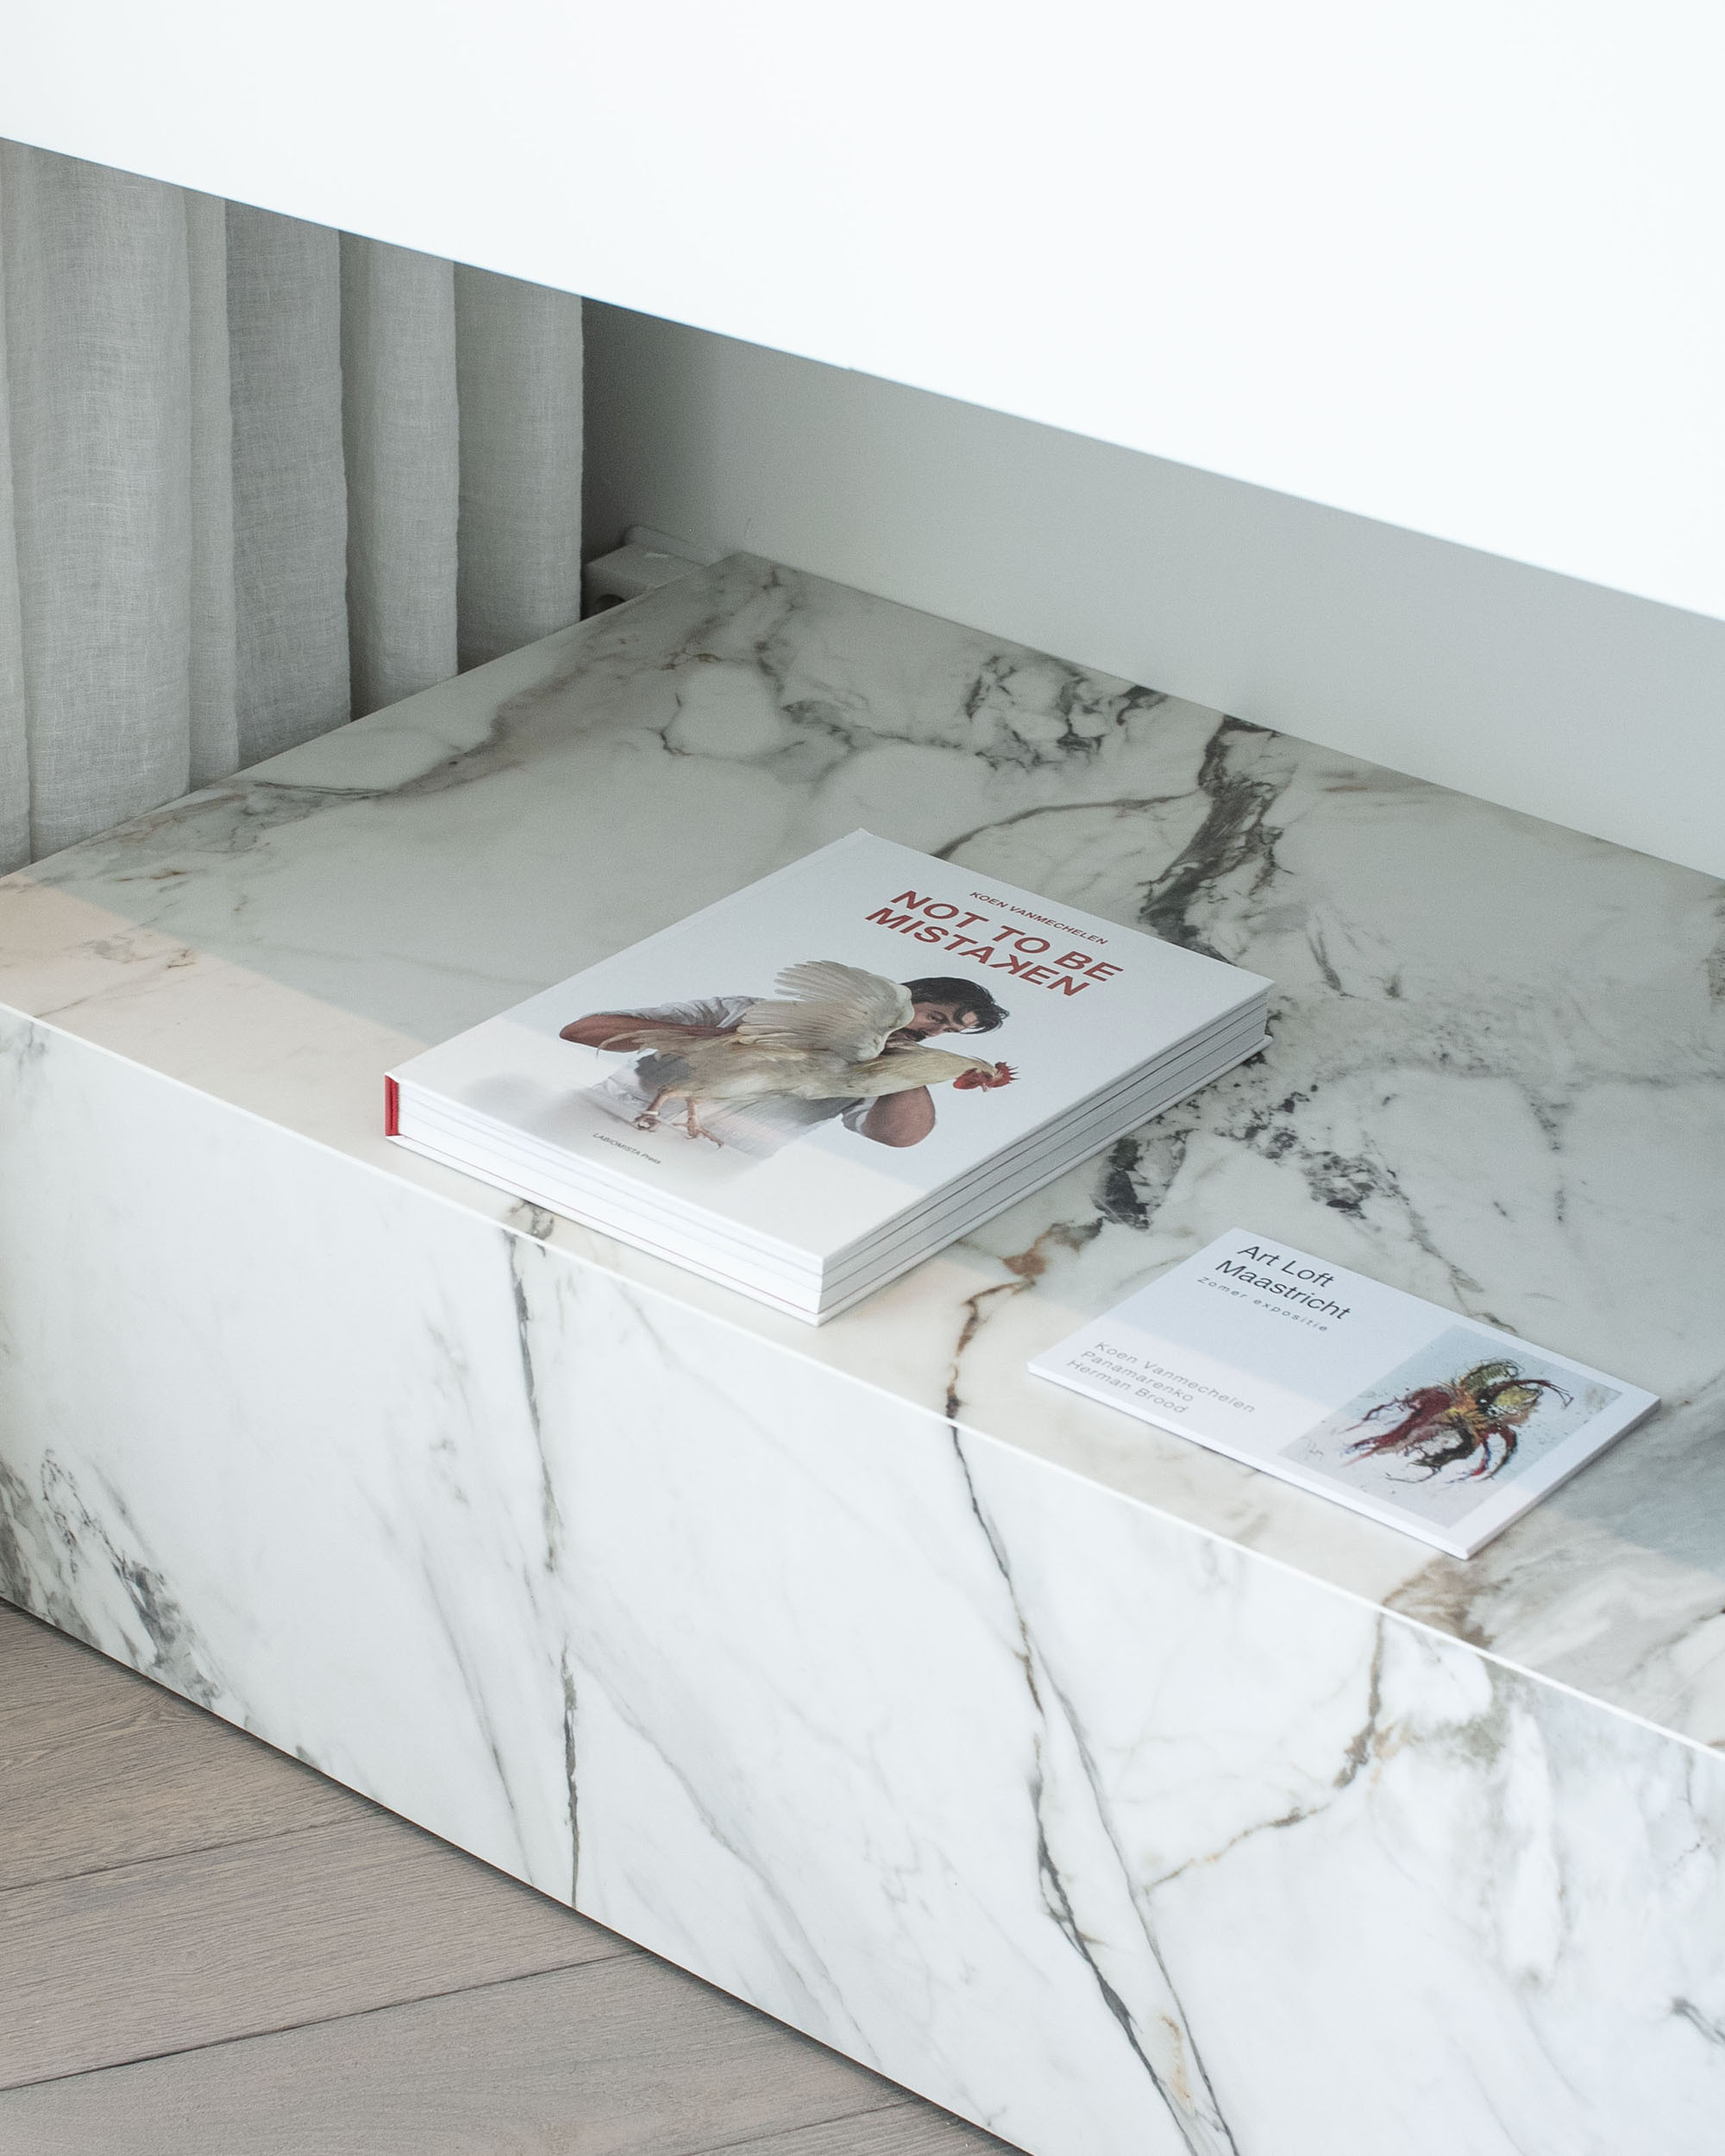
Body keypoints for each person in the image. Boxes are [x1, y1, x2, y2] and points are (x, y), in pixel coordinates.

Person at [560, 975, 1008, 1149]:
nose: (934, 1032)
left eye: (949, 1031)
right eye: (935, 1017)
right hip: (593, 1122)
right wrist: (729, 1039)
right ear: (905, 1000)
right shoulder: (744, 1011)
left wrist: (907, 1067)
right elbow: (581, 1031)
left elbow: (900, 1137)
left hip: (705, 1163)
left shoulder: (878, 1075)